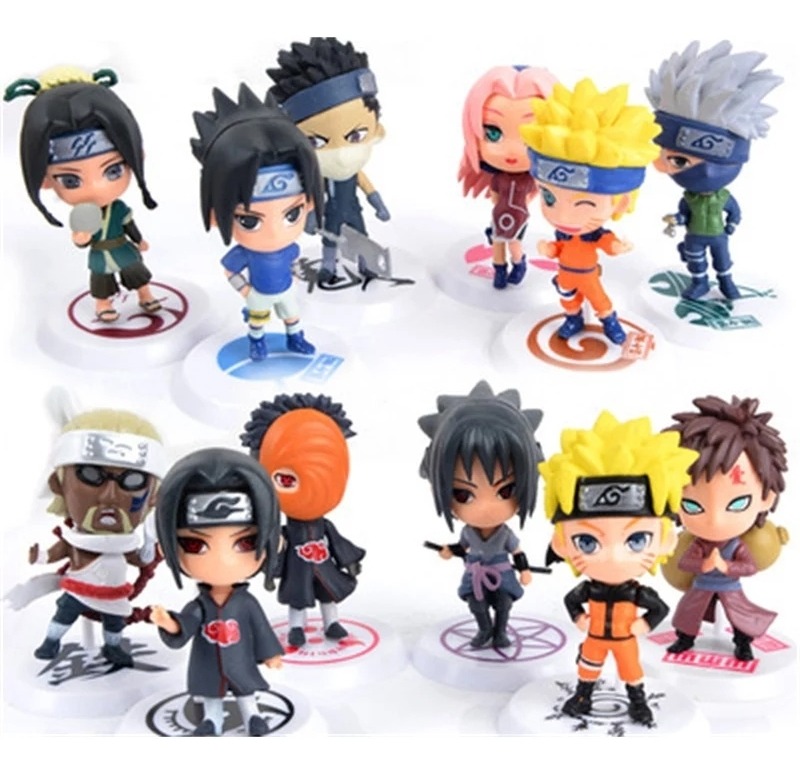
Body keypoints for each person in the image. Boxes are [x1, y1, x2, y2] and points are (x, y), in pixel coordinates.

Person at [539, 411, 698, 725]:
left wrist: (645, 624)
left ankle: (638, 702)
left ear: (666, 541)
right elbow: (571, 600)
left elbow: (659, 608)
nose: (613, 555)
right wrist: (579, 617)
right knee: (588, 666)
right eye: (587, 542)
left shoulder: (636, 592)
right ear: (561, 543)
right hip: (595, 637)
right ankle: (582, 695)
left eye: (637, 540)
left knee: (631, 670)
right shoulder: (589, 589)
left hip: (625, 639)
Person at [5, 66, 160, 322]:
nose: (96, 187)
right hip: (99, 254)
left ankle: (145, 294)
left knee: (136, 272)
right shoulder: (82, 215)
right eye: (71, 180)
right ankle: (103, 304)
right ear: (45, 180)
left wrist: (139, 240)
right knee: (101, 282)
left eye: (113, 170)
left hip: (122, 248)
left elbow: (129, 226)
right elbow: (81, 241)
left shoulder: (119, 209)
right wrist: (81, 237)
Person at [150, 448, 283, 736]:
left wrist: (271, 654)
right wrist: (167, 622)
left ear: (276, 542)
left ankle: (252, 717)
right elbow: (185, 626)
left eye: (245, 542)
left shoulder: (246, 604)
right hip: (208, 663)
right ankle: (212, 720)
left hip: (241, 662)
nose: (222, 560)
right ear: (165, 548)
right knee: (211, 693)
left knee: (246, 692)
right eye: (196, 545)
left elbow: (261, 629)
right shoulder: (200, 607)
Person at [521, 78, 660, 343]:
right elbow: (559, 247)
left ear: (621, 202)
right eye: (548, 197)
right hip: (565, 274)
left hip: (588, 276)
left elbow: (608, 244)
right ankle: (573, 319)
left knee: (600, 301)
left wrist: (617, 246)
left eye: (585, 204)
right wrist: (550, 249)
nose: (563, 216)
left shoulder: (595, 235)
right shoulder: (563, 233)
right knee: (567, 300)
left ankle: (610, 324)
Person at [191, 84, 323, 361]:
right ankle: (257, 343)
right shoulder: (245, 254)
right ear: (217, 216)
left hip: (285, 291)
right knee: (257, 321)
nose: (274, 232)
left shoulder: (289, 248)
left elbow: (294, 262)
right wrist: (245, 290)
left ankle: (295, 339)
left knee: (292, 315)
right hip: (258, 295)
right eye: (249, 221)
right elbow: (230, 270)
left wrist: (296, 275)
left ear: (309, 204)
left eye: (292, 214)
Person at [27, 408, 165, 666]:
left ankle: (112, 647)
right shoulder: (74, 540)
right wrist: (40, 556)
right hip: (78, 589)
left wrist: (150, 550)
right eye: (91, 476)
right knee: (64, 615)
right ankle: (50, 642)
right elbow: (58, 552)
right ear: (58, 486)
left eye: (132, 480)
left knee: (114, 622)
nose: (109, 496)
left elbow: (138, 559)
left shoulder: (126, 543)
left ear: (153, 496)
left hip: (113, 593)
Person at [646, 41, 782, 300]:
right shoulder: (688, 198)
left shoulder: (724, 197)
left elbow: (734, 212)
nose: (659, 166)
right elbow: (684, 213)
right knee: (695, 259)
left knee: (723, 259)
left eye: (678, 161)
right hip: (695, 236)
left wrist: (731, 226)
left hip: (718, 236)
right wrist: (677, 220)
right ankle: (700, 283)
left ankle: (726, 283)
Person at [418, 380, 543, 648]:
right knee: (476, 604)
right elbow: (461, 547)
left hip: (502, 575)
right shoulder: (467, 533)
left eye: (506, 490)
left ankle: (500, 632)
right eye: (463, 494)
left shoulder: (505, 534)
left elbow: (518, 552)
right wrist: (448, 550)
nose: (485, 508)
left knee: (503, 603)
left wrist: (524, 571)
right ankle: (484, 630)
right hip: (475, 576)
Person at [665, 396, 788, 661]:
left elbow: (749, 567)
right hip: (701, 586)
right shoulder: (698, 544)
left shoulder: (736, 545)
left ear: (766, 498)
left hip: (730, 588)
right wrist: (704, 564)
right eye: (692, 505)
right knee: (687, 615)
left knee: (740, 618)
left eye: (737, 503)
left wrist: (726, 566)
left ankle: (742, 643)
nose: (715, 521)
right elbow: (685, 563)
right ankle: (685, 639)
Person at [241, 393, 364, 646]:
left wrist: (350, 561)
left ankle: (332, 623)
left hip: (325, 568)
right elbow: (277, 549)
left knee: (328, 595)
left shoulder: (324, 527)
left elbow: (338, 544)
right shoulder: (286, 532)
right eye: (285, 479)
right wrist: (271, 571)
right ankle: (296, 627)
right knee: (297, 600)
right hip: (297, 571)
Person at [267, 37, 390, 284]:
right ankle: (328, 266)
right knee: (330, 240)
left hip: (353, 210)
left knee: (361, 236)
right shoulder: (318, 176)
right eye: (315, 142)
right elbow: (312, 196)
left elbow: (366, 186)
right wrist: (310, 217)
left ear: (377, 130)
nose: (341, 155)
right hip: (330, 213)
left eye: (356, 136)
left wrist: (378, 204)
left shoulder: (354, 172)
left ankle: (366, 265)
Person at [458, 66, 556, 289]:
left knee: (514, 242)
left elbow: (530, 196)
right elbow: (495, 196)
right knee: (497, 243)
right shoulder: (498, 178)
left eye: (529, 138)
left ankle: (519, 264)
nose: (511, 150)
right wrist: (501, 207)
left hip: (518, 216)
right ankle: (499, 270)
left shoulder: (529, 180)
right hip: (500, 215)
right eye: (493, 133)